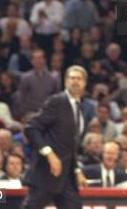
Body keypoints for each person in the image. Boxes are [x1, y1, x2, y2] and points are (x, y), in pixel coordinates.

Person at [22, 65, 88, 209]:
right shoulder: (57, 101)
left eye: (79, 79)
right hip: (47, 171)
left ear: (84, 83)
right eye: (72, 78)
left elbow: (72, 145)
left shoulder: (80, 107)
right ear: (65, 81)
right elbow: (32, 128)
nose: (75, 81)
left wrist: (77, 170)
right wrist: (49, 153)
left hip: (67, 175)